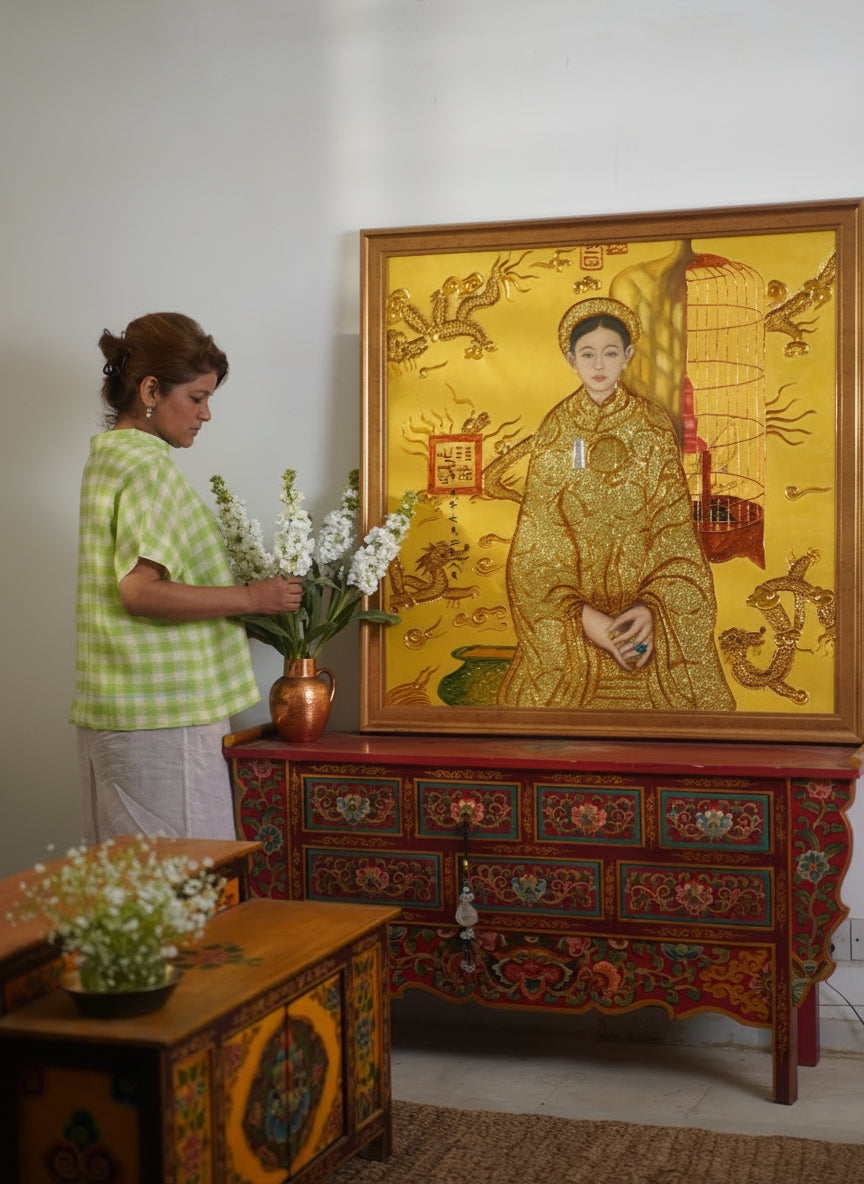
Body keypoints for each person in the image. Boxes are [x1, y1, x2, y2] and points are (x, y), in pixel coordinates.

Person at [70, 312, 303, 842]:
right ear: (151, 389)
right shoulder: (148, 466)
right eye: (196, 398)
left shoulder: (109, 459)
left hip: (124, 708)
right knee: (187, 887)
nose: (206, 415)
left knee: (130, 893)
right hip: (162, 716)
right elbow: (140, 592)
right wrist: (253, 597)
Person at [498, 296, 735, 712]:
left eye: (610, 353)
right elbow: (536, 546)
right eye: (587, 354)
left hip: (649, 631)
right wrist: (592, 623)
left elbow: (674, 533)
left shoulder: (652, 425)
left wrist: (652, 608)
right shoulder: (557, 430)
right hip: (576, 633)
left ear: (627, 356)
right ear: (571, 359)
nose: (599, 365)